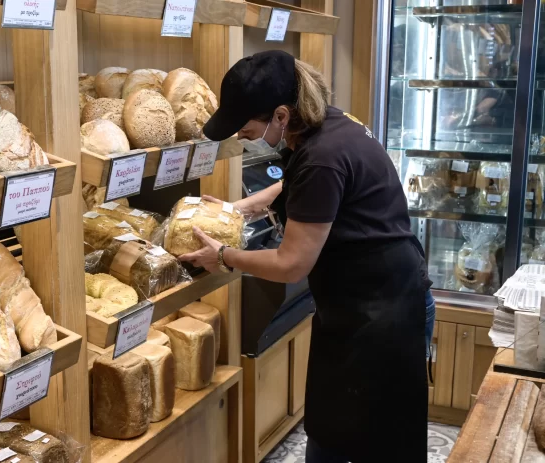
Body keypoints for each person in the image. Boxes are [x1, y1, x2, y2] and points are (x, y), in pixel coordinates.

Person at [180, 51, 431, 462]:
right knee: (332, 433)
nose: (241, 136)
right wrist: (238, 209)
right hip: (365, 302)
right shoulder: (330, 124)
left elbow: (291, 264)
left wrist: (224, 255)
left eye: (246, 129)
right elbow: (295, 186)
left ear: (281, 115)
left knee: (368, 443)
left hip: (382, 317)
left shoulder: (323, 157)